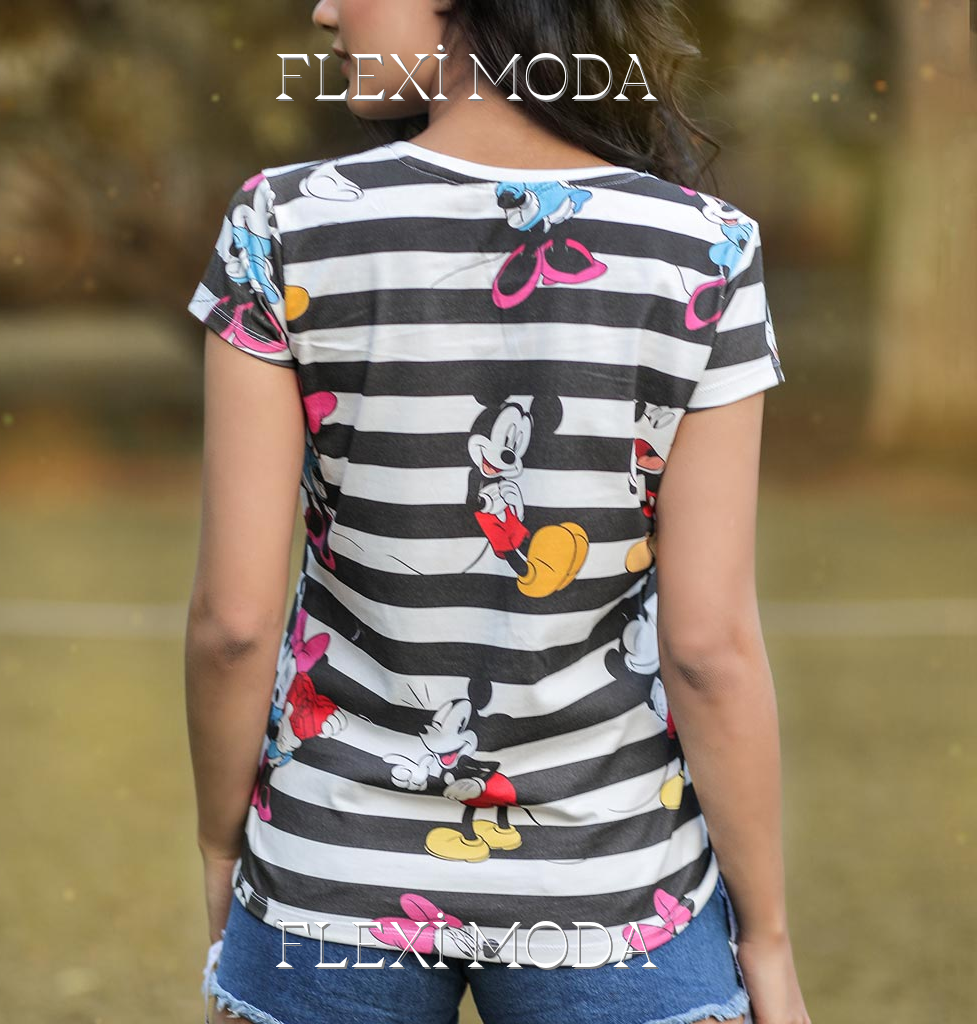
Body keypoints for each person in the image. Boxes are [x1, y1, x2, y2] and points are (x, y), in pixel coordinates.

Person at [184, 2, 811, 1023]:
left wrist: (222, 849)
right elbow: (709, 648)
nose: (324, 13)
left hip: (324, 882)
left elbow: (233, 626)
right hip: (617, 894)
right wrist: (767, 938)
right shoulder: (705, 250)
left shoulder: (281, 225)